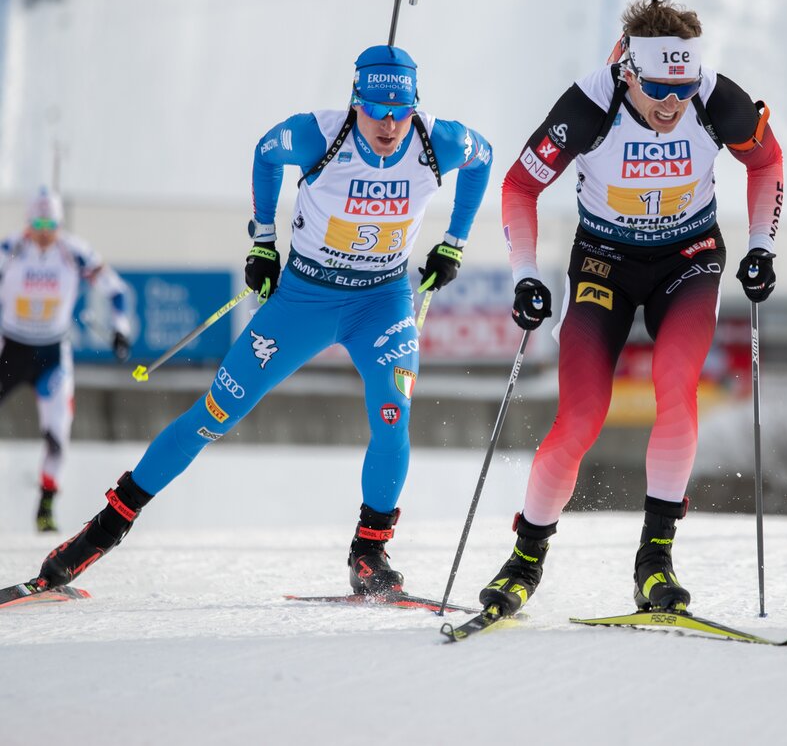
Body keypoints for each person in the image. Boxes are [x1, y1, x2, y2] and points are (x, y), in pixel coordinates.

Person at [27, 44, 492, 596]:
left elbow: (482, 157)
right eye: (375, 110)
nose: (389, 125)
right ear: (355, 102)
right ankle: (102, 531)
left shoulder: (438, 139)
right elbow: (265, 154)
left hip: (382, 303)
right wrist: (264, 242)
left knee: (393, 414)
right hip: (305, 300)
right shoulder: (321, 134)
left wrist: (454, 244)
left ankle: (370, 553)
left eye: (400, 112)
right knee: (214, 415)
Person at [479, 0, 783, 617]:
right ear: (628, 72)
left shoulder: (717, 98)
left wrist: (761, 247)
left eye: (683, 88)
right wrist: (525, 276)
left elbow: (767, 162)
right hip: (604, 264)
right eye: (658, 90)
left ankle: (655, 560)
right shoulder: (589, 106)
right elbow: (520, 185)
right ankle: (525, 560)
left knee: (677, 389)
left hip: (689, 258)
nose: (672, 104)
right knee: (581, 417)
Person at [0, 187, 132, 532]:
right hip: (10, 350)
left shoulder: (73, 252)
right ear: (28, 222)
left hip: (52, 354)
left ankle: (45, 507)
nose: (44, 231)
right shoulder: (10, 249)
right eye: (38, 222)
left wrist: (121, 329)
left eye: (51, 223)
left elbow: (115, 289)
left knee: (58, 434)